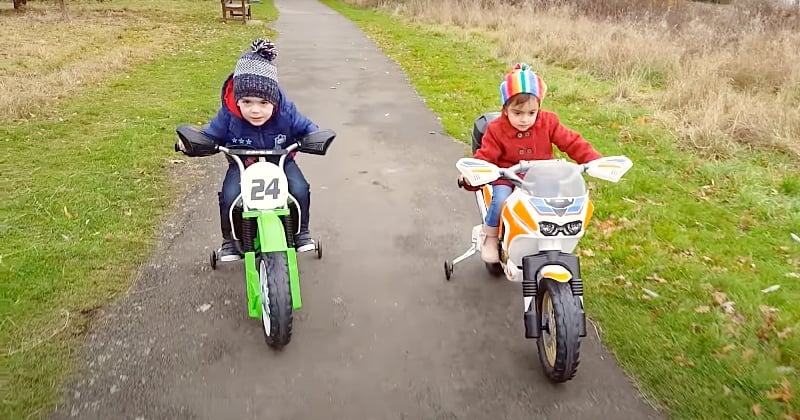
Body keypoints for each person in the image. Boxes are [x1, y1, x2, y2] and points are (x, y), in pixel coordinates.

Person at [462, 63, 603, 264]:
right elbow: (486, 155)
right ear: (505, 109)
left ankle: (551, 239)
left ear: (539, 107)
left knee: (561, 204)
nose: (525, 119)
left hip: (544, 176)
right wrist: (472, 175)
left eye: (531, 112)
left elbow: (571, 141)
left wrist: (594, 161)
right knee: (501, 199)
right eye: (517, 113)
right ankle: (490, 236)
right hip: (508, 176)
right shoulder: (496, 129)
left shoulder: (548, 122)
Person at [200, 38, 320, 261]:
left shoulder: (286, 112)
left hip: (280, 162)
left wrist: (315, 137)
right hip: (243, 165)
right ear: (237, 101)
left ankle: (302, 233)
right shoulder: (228, 116)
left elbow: (306, 127)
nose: (255, 110)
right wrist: (193, 142)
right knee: (229, 196)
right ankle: (229, 240)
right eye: (247, 102)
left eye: (263, 103)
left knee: (300, 189)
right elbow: (209, 134)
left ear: (274, 101)